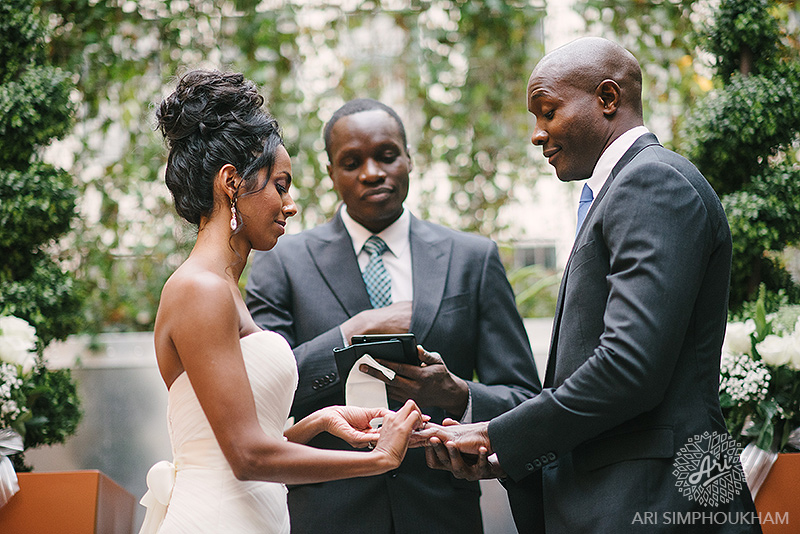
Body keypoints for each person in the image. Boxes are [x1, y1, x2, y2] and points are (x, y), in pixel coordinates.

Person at [416, 37, 762, 533]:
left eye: (548, 111)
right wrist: (505, 449)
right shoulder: (622, 189)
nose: (537, 134)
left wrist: (499, 435)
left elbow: (627, 367)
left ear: (606, 99)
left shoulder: (651, 183)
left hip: (657, 503)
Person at [139, 70, 425, 534]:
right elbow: (248, 456)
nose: (290, 204)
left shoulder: (222, 288)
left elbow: (229, 440)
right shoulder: (201, 289)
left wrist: (319, 421)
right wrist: (378, 460)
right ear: (232, 183)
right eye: (281, 184)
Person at [244, 98, 542, 534]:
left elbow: (523, 399)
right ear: (330, 172)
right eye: (351, 161)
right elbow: (263, 396)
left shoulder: (471, 258)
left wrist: (457, 394)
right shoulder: (282, 261)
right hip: (328, 514)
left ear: (408, 159)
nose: (371, 172)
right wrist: (351, 331)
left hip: (442, 514)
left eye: (386, 156)